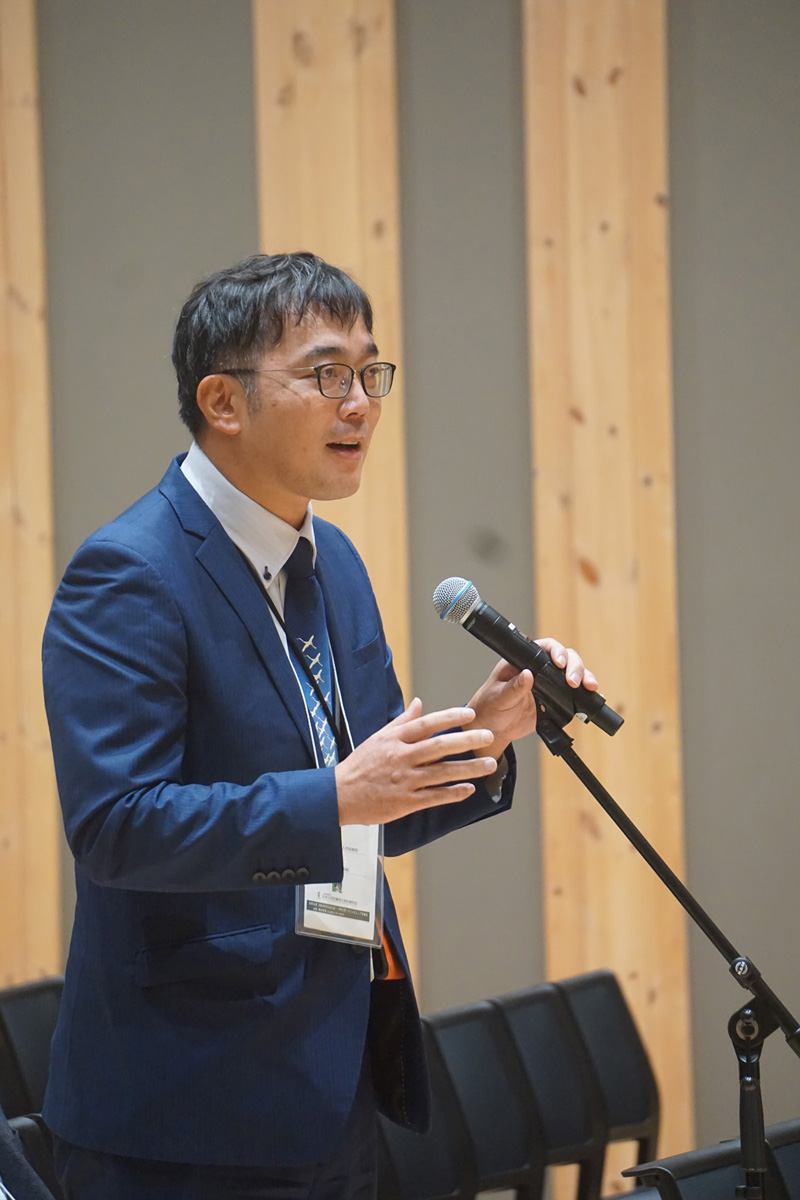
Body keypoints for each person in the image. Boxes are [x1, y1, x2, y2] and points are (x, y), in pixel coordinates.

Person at [41, 252, 597, 1199]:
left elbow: (371, 805)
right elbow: (117, 827)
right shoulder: (131, 573)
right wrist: (337, 795)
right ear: (224, 401)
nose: (362, 404)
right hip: (185, 1107)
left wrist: (486, 732)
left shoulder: (332, 561)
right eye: (327, 374)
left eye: (371, 374)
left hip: (332, 1075)